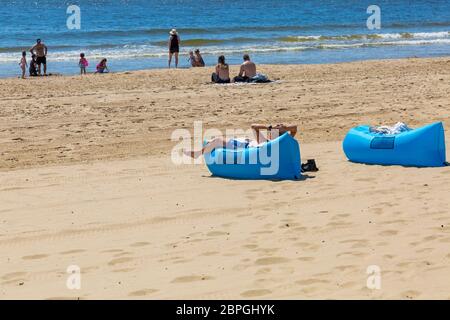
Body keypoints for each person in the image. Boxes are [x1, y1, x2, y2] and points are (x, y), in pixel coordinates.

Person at [184, 124, 298, 159]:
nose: (277, 125)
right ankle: (205, 149)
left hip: (243, 147)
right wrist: (282, 128)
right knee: (213, 141)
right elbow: (294, 129)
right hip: (242, 144)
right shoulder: (278, 142)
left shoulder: (271, 142)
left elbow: (254, 126)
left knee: (217, 140)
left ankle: (197, 154)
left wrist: (274, 128)